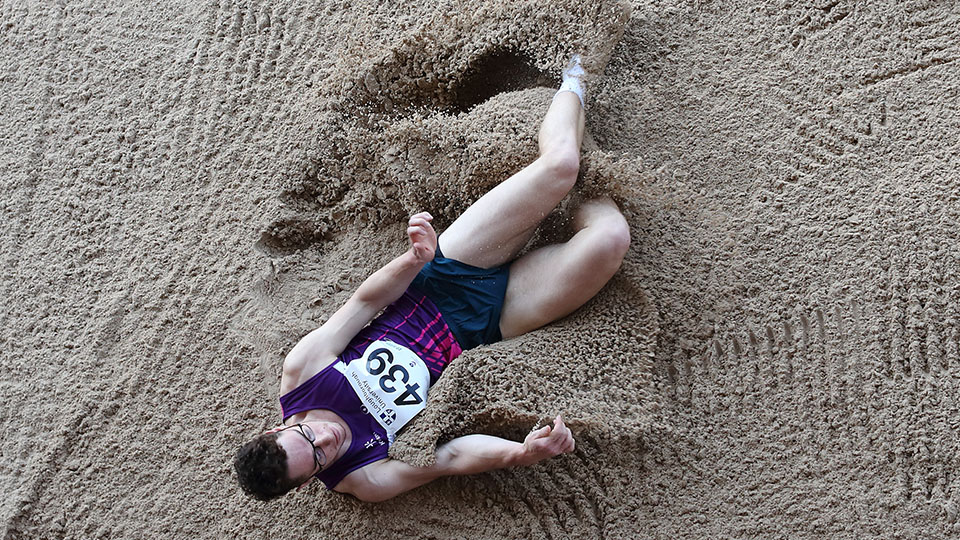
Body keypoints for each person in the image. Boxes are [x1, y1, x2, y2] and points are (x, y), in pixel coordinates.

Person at [234, 55, 631, 502]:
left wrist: (414, 258)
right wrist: (519, 452)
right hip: (486, 328)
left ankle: (577, 74)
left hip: (445, 276)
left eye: (308, 436)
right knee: (611, 238)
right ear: (310, 480)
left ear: (280, 426)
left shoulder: (303, 371)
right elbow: (447, 458)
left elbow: (365, 302)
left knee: (560, 166)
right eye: (321, 457)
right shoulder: (364, 478)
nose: (326, 438)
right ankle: (588, 163)